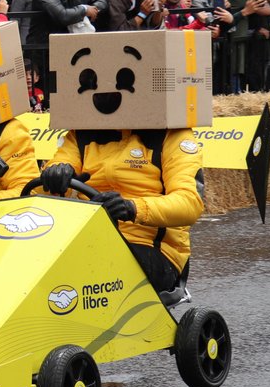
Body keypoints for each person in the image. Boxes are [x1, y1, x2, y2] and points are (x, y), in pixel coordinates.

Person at [40, 123, 204, 304]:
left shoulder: (173, 135)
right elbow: (41, 188)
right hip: (89, 241)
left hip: (151, 247)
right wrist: (55, 174)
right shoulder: (80, 135)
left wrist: (133, 208)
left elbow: (190, 202)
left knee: (95, 265)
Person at [29, 0, 108, 82]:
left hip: (71, 52)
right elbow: (62, 16)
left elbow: (102, 1)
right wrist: (84, 10)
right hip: (45, 54)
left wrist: (92, 10)